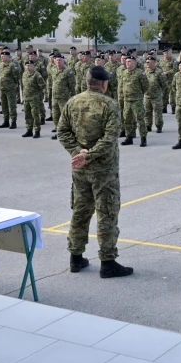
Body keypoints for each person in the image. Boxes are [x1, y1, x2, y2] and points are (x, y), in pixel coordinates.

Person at [57, 65, 133, 279]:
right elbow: (110, 139)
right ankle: (108, 262)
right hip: (103, 171)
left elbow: (62, 130)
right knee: (106, 213)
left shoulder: (73, 102)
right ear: (104, 84)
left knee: (80, 211)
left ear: (86, 81)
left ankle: (75, 257)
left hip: (80, 169)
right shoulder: (108, 104)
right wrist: (88, 155)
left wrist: (77, 152)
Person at [119, 54, 149, 147]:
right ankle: (129, 137)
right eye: (126, 61)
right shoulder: (124, 72)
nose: (127, 63)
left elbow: (146, 86)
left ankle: (143, 138)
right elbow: (121, 86)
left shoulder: (140, 73)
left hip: (137, 100)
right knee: (127, 119)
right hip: (127, 100)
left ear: (134, 63)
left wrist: (139, 94)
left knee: (140, 119)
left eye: (129, 61)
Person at [51, 54, 76, 140]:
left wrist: (73, 98)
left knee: (65, 116)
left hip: (64, 98)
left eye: (60, 60)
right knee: (55, 115)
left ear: (63, 61)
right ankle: (58, 132)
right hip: (54, 97)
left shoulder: (68, 71)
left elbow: (72, 86)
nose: (58, 62)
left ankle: (68, 133)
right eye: (57, 60)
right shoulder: (53, 69)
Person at [0, 50, 20, 130]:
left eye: (4, 56)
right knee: (4, 105)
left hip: (10, 88)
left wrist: (14, 85)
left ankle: (13, 121)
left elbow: (16, 76)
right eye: (1, 56)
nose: (2, 57)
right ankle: (6, 121)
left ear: (8, 57)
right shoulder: (0, 65)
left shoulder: (12, 65)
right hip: (2, 88)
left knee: (11, 105)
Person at [21, 60, 46, 138]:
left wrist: (37, 93)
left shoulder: (37, 75)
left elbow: (42, 85)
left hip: (34, 98)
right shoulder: (24, 74)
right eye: (27, 65)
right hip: (26, 98)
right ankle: (29, 130)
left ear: (33, 66)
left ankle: (37, 131)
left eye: (30, 65)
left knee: (35, 115)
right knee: (27, 114)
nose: (28, 67)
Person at [143, 56, 167, 134]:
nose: (146, 64)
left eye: (148, 62)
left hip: (156, 96)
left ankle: (159, 126)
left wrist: (160, 93)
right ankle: (148, 125)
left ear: (153, 63)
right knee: (147, 112)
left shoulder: (159, 72)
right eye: (146, 62)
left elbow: (164, 84)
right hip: (147, 96)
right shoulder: (145, 72)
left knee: (157, 112)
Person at [160, 48, 177, 113]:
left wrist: (167, 72)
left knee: (172, 95)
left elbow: (175, 69)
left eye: (167, 53)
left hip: (171, 80)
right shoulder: (161, 60)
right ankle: (164, 107)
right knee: (164, 94)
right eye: (164, 53)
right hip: (164, 81)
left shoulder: (173, 60)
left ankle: (173, 108)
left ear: (169, 53)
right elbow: (159, 69)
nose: (166, 54)